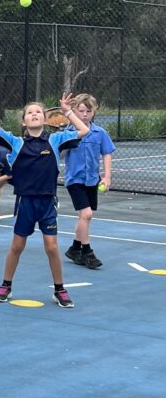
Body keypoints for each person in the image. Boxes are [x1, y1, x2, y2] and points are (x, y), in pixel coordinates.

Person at [0, 95, 89, 308]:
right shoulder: (17, 143)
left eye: (38, 112)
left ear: (45, 120)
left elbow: (83, 131)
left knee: (52, 247)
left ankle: (59, 289)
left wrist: (67, 111)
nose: (34, 114)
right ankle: (5, 285)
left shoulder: (55, 140)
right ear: (24, 121)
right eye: (30, 112)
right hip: (25, 202)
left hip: (47, 203)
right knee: (17, 246)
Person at [62, 93, 115, 269]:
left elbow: (106, 154)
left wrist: (106, 177)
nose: (84, 114)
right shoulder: (69, 133)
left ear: (93, 112)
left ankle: (74, 248)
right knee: (87, 214)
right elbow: (60, 154)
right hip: (74, 180)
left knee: (84, 217)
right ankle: (87, 252)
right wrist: (63, 144)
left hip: (92, 180)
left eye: (88, 111)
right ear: (74, 112)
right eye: (81, 111)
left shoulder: (100, 133)